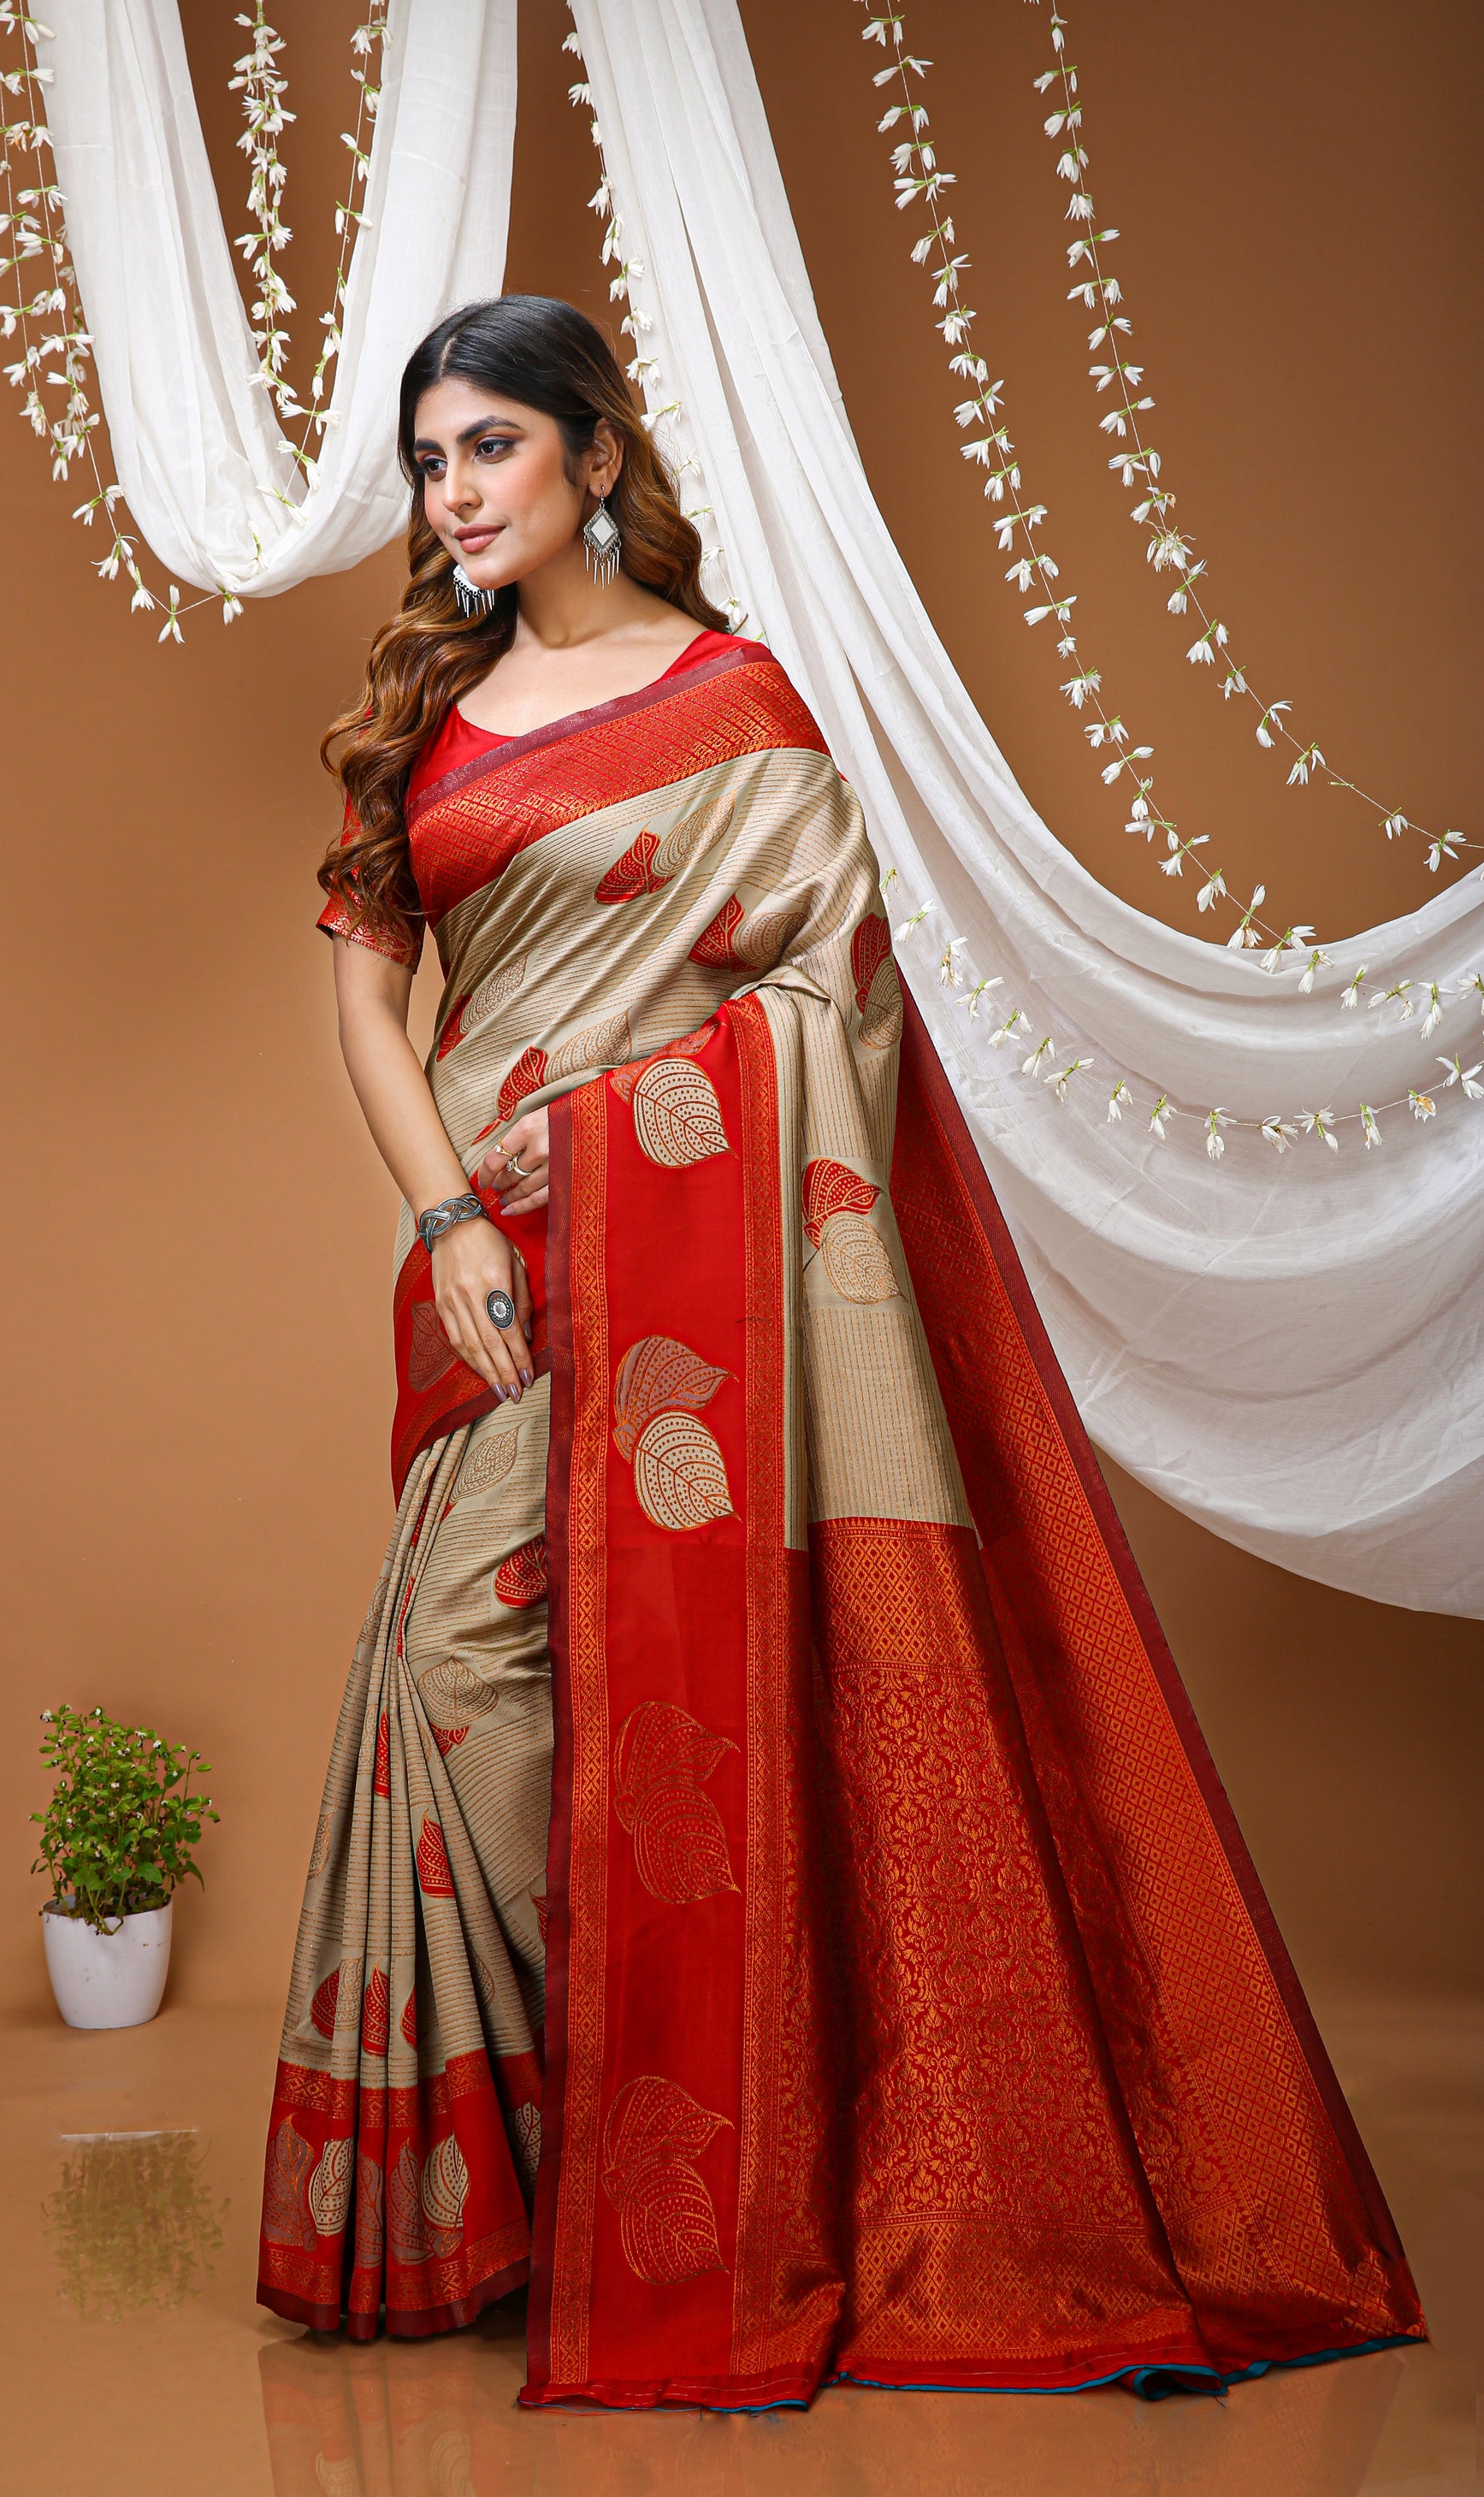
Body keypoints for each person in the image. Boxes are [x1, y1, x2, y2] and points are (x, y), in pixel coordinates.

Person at [257, 295, 1422, 2409]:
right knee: (458, 1670)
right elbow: (367, 989)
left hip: (680, 1273)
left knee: (645, 1686)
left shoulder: (732, 703)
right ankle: (587, 2159)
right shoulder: (429, 707)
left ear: (596, 456)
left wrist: (620, 1138)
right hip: (496, 1267)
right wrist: (447, 1215)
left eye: (491, 446)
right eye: (430, 460)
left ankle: (721, 2153)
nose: (454, 494)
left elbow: (831, 1000)